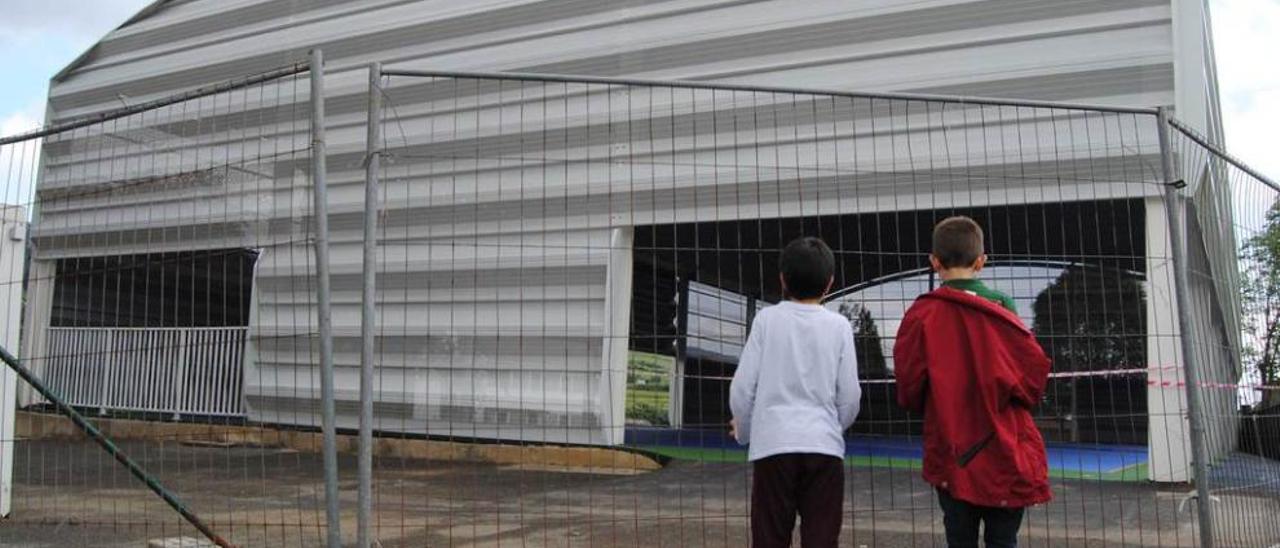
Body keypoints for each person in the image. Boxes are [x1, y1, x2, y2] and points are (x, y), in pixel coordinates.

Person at [893, 216, 1052, 548]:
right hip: (1004, 445)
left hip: (952, 448)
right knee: (1004, 538)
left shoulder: (922, 314)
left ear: (934, 262)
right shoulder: (1001, 308)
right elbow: (1031, 376)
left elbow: (909, 385)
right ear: (982, 261)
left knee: (958, 536)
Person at [729, 236, 862, 548]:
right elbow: (850, 396)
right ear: (830, 283)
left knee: (770, 537)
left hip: (773, 445)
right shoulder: (839, 326)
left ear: (782, 279)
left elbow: (742, 388)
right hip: (823, 448)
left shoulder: (766, 320)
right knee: (821, 538)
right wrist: (831, 427)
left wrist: (746, 432)